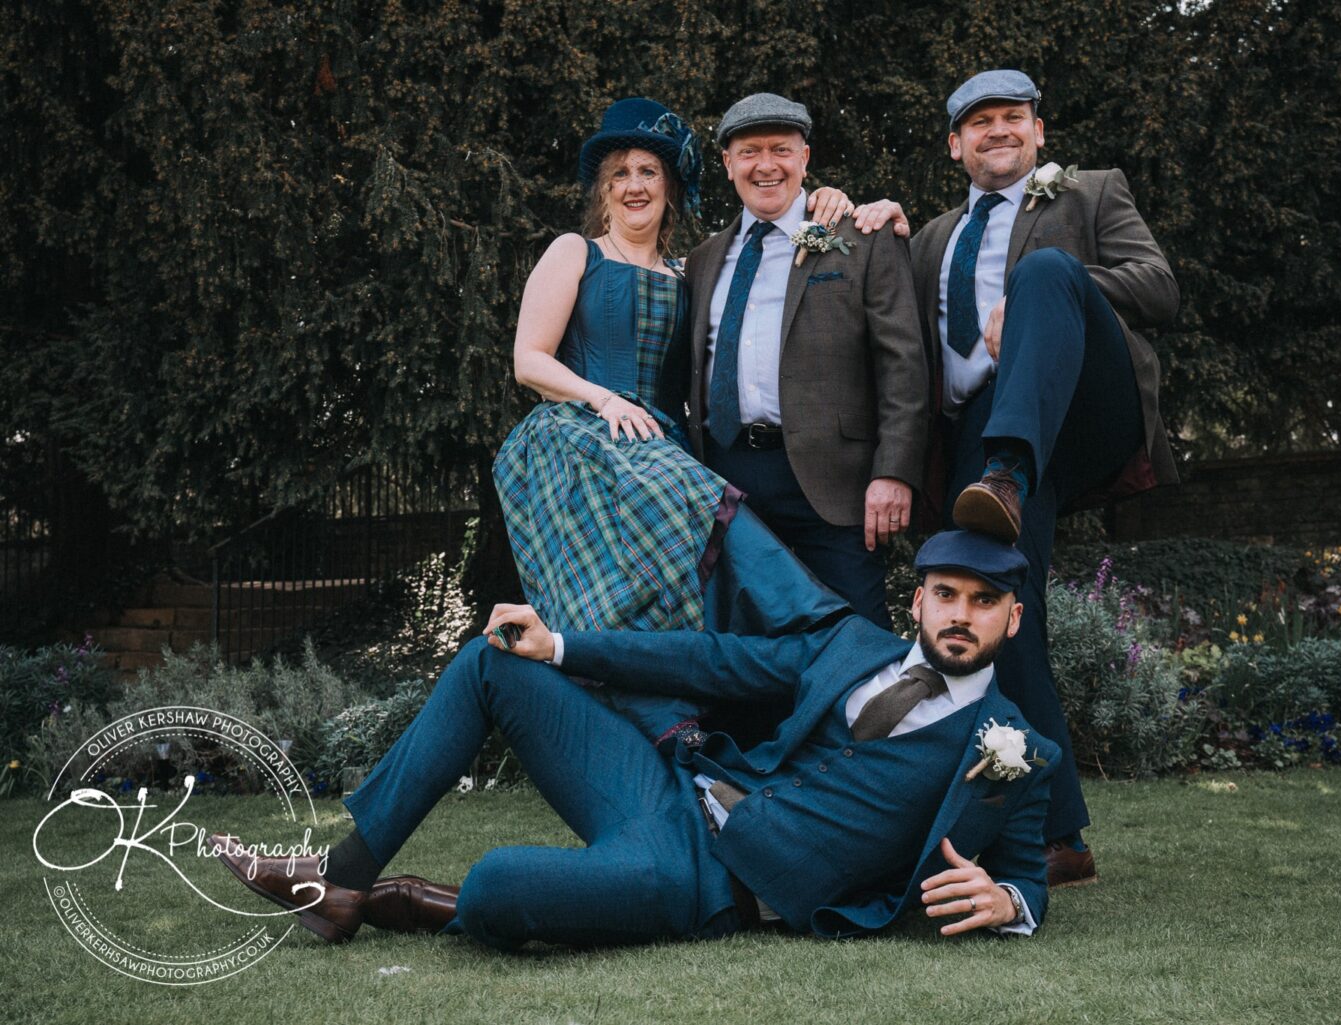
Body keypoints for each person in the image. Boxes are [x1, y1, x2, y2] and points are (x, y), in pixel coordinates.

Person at [213, 530, 1060, 949]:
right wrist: (559, 646)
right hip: (676, 794)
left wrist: (1010, 902)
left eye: (983, 601)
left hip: (708, 884)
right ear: (918, 600)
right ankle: (341, 880)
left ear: (1013, 618)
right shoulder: (851, 647)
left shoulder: (1012, 749)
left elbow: (1026, 871)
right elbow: (713, 659)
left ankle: (433, 903)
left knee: (502, 880)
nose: (961, 614)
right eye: (947, 593)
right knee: (491, 661)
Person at [855, 69, 1179, 885]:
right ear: (954, 145)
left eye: (1013, 117)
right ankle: (1060, 835)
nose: (998, 130)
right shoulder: (931, 238)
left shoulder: (1091, 191)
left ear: (1038, 132)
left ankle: (1008, 468)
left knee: (1043, 273)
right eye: (980, 122)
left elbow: (1158, 286)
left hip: (1083, 404)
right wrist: (872, 226)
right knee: (999, 608)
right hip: (979, 428)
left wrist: (1043, 297)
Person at [492, 98, 854, 744]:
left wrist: (839, 203)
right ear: (603, 190)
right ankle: (827, 639)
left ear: (671, 188)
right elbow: (529, 360)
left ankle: (802, 678)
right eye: (620, 173)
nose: (634, 185)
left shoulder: (691, 273)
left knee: (689, 586)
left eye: (648, 172)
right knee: (643, 576)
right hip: (581, 436)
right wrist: (604, 400)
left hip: (660, 445)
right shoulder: (576, 252)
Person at [683, 93, 928, 630]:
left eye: (781, 149)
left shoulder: (862, 237)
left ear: (805, 157)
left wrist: (894, 471)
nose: (765, 165)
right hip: (728, 480)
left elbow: (903, 364)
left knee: (857, 639)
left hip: (833, 482)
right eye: (749, 152)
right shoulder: (702, 261)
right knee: (744, 643)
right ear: (727, 163)